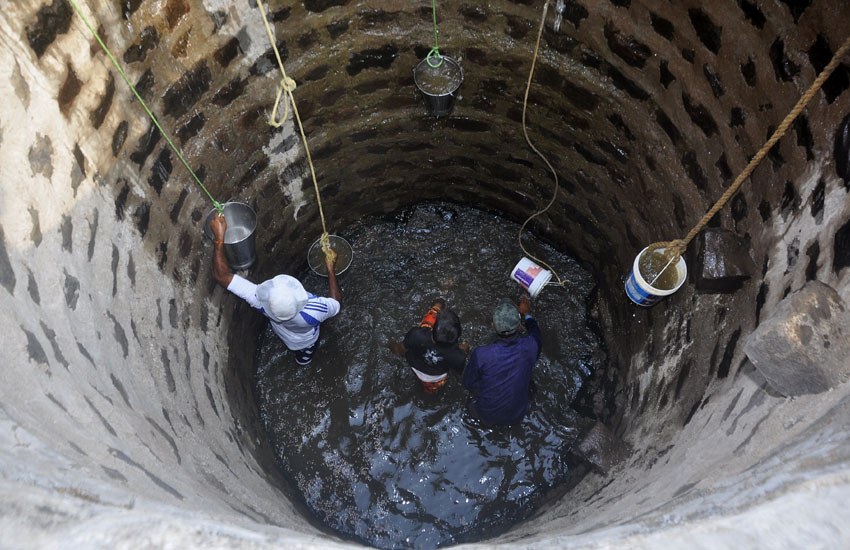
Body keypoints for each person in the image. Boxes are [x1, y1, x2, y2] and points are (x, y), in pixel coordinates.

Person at [210, 213, 341, 366]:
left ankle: (301, 361)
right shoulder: (314, 310)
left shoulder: (260, 302)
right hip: (305, 341)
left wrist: (219, 238)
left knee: (300, 354)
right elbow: (336, 303)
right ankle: (304, 361)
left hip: (284, 334)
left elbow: (222, 275)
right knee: (306, 355)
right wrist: (331, 268)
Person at [463, 295, 541, 425]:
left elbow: (468, 384)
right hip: (518, 414)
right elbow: (535, 331)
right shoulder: (531, 345)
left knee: (469, 403)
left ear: (493, 325)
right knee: (531, 385)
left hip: (485, 415)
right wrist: (527, 313)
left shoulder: (481, 354)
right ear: (519, 326)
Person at [388, 298, 469, 393]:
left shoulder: (417, 335)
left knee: (432, 315)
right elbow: (457, 372)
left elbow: (398, 351)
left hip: (413, 364)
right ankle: (428, 393)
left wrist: (391, 344)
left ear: (432, 329)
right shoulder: (458, 356)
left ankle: (437, 307)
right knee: (430, 391)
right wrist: (464, 350)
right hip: (433, 379)